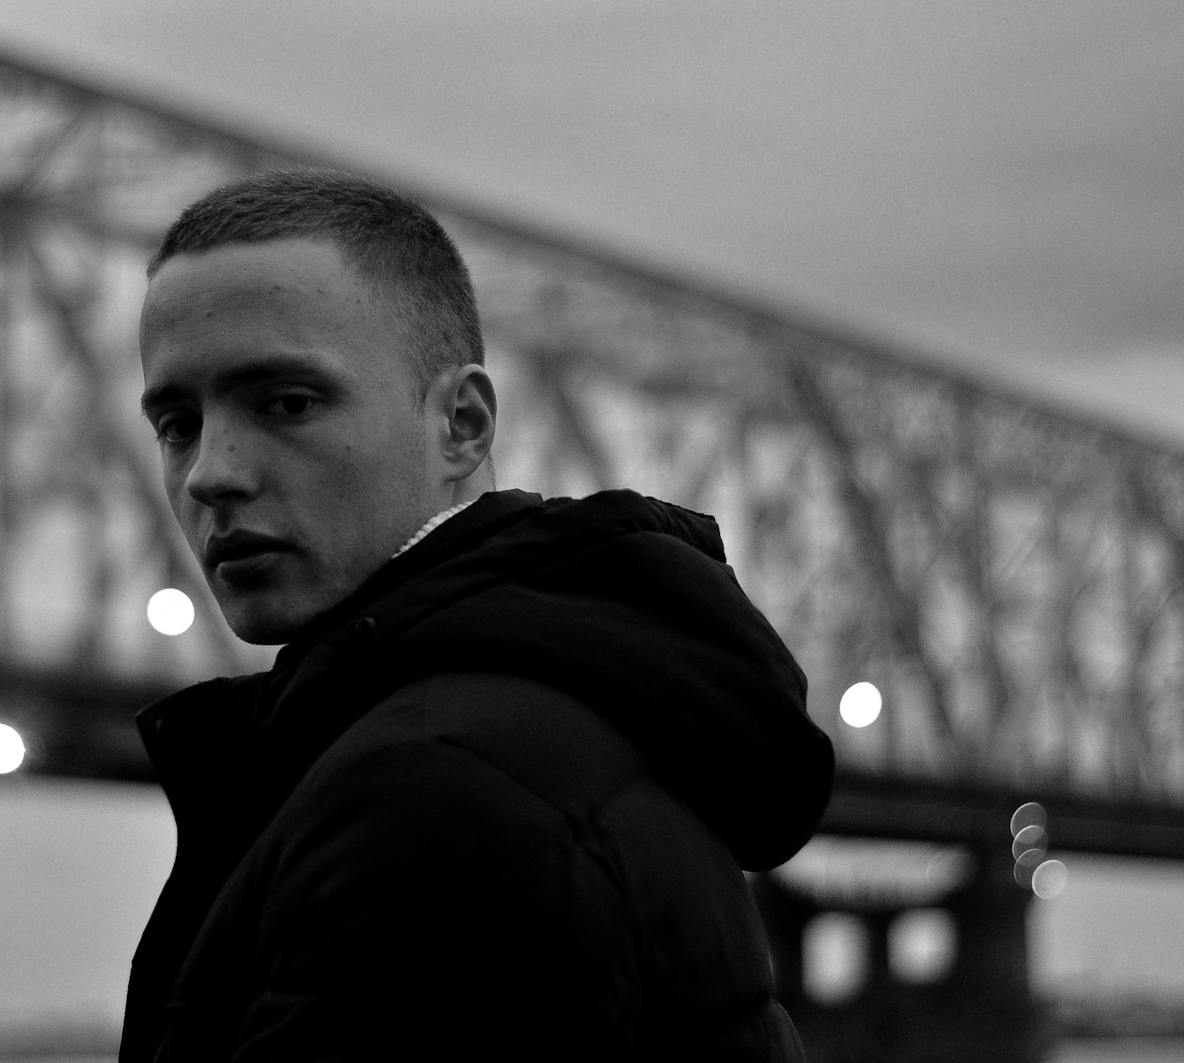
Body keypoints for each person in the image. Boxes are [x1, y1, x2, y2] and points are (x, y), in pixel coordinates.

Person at [122, 168, 834, 1062]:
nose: (209, 473)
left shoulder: (436, 792)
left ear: (462, 423)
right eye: (177, 422)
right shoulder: (524, 725)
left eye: (287, 402)